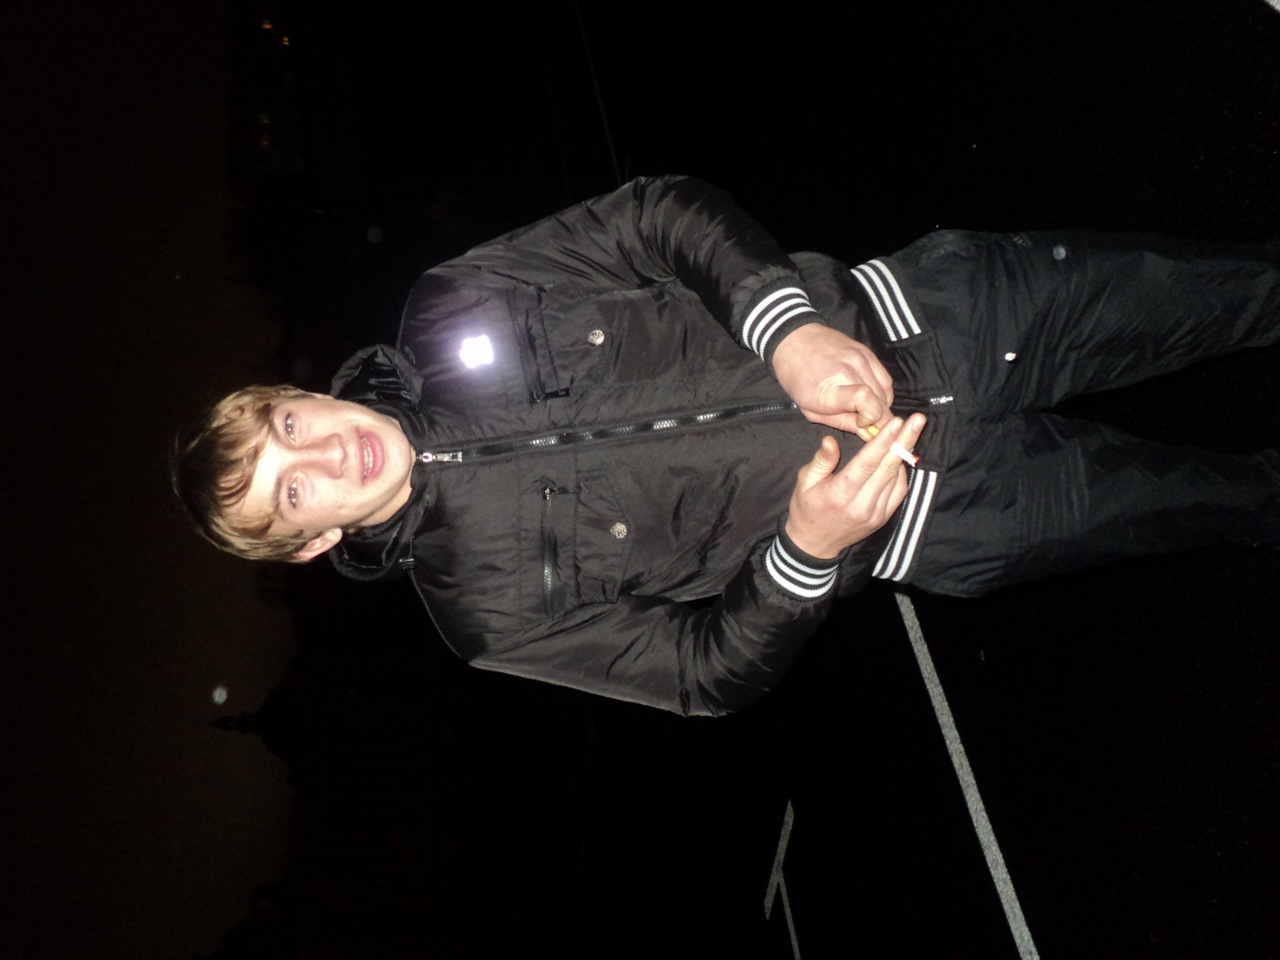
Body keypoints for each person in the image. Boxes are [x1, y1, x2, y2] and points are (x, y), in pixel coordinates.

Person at [173, 175, 1280, 716]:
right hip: (944, 515)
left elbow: (654, 217)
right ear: (311, 545)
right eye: (292, 493)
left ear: (298, 395)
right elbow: (700, 676)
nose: (325, 458)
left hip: (932, 314)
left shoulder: (452, 301)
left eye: (289, 429)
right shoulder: (486, 616)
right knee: (1231, 501)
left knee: (1245, 289)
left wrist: (784, 328)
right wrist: (805, 551)